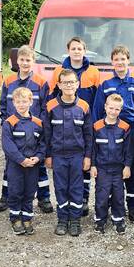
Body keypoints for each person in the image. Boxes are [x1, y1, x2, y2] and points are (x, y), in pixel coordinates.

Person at [93, 45, 134, 222]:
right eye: (116, 59)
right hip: (110, 133)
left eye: (123, 59)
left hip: (132, 133)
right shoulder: (106, 85)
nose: (120, 62)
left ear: (128, 61)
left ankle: (133, 207)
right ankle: (109, 205)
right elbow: (97, 111)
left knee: (131, 170)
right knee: (111, 169)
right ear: (112, 62)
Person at [0, 46, 52, 214]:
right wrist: (7, 122)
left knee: (38, 166)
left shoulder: (41, 82)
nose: (25, 63)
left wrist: (40, 127)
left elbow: (44, 107)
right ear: (16, 61)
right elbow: (4, 106)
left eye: (28, 60)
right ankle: (6, 197)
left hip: (34, 132)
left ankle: (44, 198)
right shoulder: (8, 81)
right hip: (14, 132)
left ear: (33, 62)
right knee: (11, 166)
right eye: (22, 60)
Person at [49, 37, 101, 218]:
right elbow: (52, 99)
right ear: (68, 50)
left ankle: (82, 201)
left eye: (80, 48)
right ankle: (64, 214)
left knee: (82, 172)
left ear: (84, 51)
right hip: (62, 136)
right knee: (63, 181)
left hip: (86, 122)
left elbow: (98, 100)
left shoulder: (94, 71)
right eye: (73, 48)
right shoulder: (59, 72)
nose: (77, 51)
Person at [46, 69, 93, 236]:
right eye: (65, 82)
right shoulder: (51, 106)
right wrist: (48, 156)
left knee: (76, 188)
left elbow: (89, 134)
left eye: (72, 82)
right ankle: (62, 220)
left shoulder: (84, 106)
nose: (68, 85)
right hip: (58, 155)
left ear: (77, 84)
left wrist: (88, 156)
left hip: (77, 156)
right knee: (60, 188)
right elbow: (47, 133)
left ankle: (75, 221)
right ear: (59, 85)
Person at [2, 87, 46, 236]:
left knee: (29, 191)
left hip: (32, 165)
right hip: (16, 165)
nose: (21, 105)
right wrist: (21, 160)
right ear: (13, 103)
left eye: (24, 101)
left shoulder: (38, 123)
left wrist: (38, 157)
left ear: (31, 102)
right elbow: (8, 145)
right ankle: (15, 218)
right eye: (18, 102)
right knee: (15, 191)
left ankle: (27, 217)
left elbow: (43, 143)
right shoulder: (9, 122)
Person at [91, 94, 133, 234]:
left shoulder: (125, 127)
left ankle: (118, 219)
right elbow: (93, 148)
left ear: (120, 110)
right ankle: (100, 220)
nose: (113, 112)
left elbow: (128, 150)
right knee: (101, 196)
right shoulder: (96, 127)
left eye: (117, 109)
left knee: (118, 195)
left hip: (118, 169)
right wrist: (93, 165)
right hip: (102, 168)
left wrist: (127, 166)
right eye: (111, 108)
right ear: (105, 107)